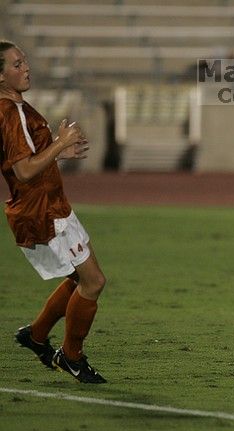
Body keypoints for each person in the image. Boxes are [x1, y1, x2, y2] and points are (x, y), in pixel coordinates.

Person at [1, 40, 107, 383]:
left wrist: (58, 153)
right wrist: (60, 144)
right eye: (16, 64)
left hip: (50, 204)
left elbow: (29, 160)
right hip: (43, 210)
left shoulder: (15, 106)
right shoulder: (10, 111)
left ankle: (36, 334)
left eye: (24, 61)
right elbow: (24, 171)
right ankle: (71, 356)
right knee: (92, 282)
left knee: (81, 279)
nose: (25, 67)